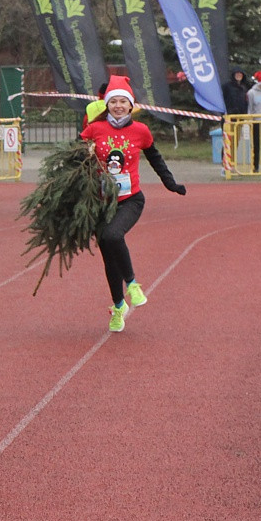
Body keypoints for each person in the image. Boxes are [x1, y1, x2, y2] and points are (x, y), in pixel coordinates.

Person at [79, 75, 186, 333]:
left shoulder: (141, 131)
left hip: (130, 200)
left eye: (122, 101)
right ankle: (118, 307)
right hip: (101, 203)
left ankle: (133, 284)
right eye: (113, 101)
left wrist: (170, 183)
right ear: (107, 105)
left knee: (113, 235)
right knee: (109, 257)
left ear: (130, 106)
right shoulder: (94, 129)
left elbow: (155, 158)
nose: (117, 105)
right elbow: (76, 161)